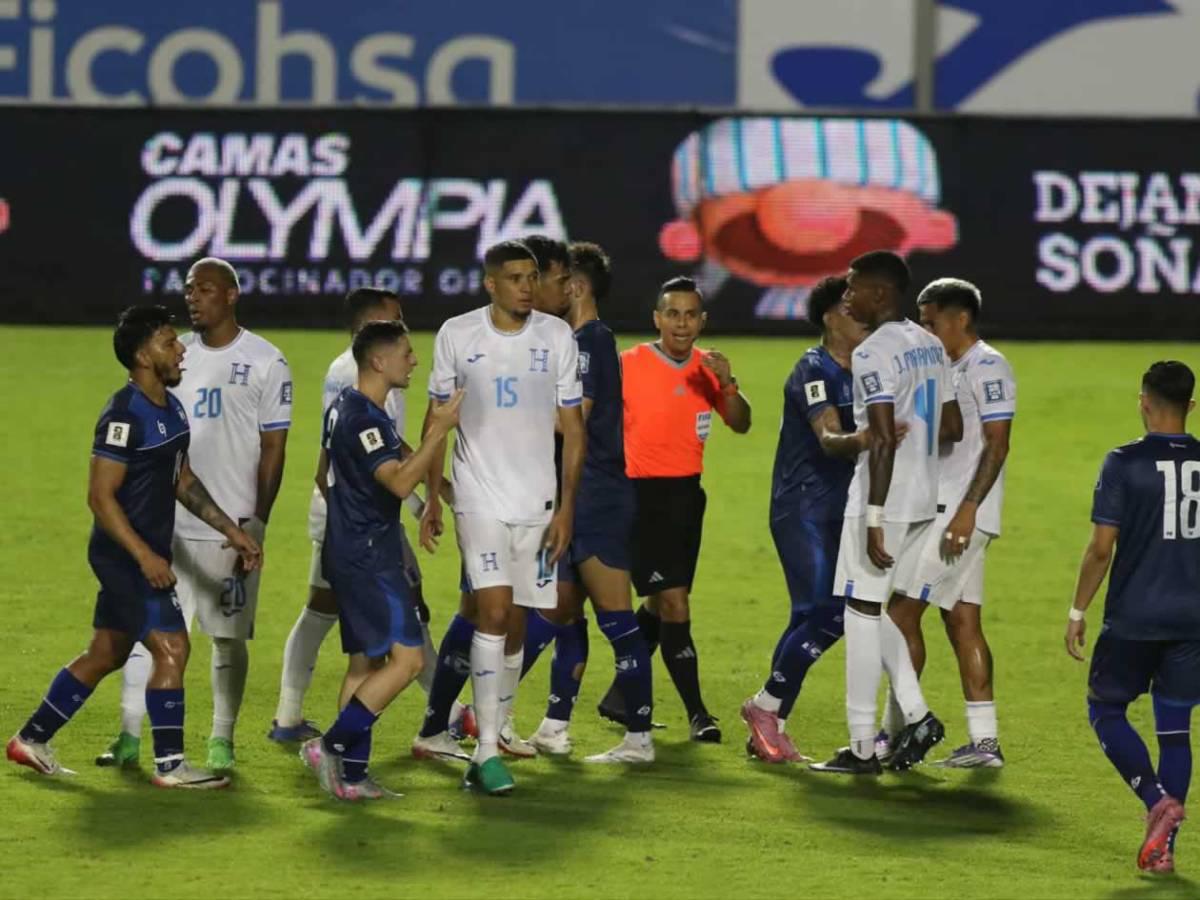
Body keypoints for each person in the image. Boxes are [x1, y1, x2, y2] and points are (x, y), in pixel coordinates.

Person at [7, 305, 261, 788]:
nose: (181, 348)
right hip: (125, 556)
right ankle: (170, 766)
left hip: (141, 553)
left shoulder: (171, 406)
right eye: (170, 342)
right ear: (144, 355)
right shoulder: (123, 415)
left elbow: (182, 481)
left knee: (107, 651)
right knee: (173, 646)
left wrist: (232, 531)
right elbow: (99, 498)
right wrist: (144, 556)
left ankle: (30, 739)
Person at [95, 258, 291, 773]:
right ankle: (130, 734)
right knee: (151, 631)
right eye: (187, 289)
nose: (192, 297)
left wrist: (257, 520)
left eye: (204, 289)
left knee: (227, 635)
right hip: (165, 521)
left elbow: (274, 448)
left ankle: (221, 738)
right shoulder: (172, 353)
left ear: (231, 294)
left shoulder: (267, 361)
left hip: (231, 520)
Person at [419, 240, 585, 795]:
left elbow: (574, 429)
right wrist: (429, 494)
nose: (525, 286)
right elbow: (438, 416)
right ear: (490, 283)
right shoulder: (457, 334)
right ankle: (486, 750)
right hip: (478, 496)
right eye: (513, 277)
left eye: (531, 277)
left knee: (515, 621)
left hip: (536, 502)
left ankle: (496, 725)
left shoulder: (556, 336)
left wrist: (566, 508)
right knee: (491, 609)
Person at [811, 251, 960, 776]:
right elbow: (952, 428)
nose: (845, 295)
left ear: (880, 294)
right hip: (923, 499)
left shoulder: (873, 352)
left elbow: (878, 441)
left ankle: (861, 746)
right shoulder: (930, 345)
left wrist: (874, 515)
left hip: (884, 501)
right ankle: (914, 715)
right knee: (873, 610)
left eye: (853, 288)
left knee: (860, 615)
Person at [300, 320, 462, 800]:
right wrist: (439, 432)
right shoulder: (365, 418)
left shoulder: (344, 409)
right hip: (371, 556)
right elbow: (396, 480)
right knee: (408, 661)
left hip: (350, 549)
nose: (413, 361)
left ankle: (351, 777)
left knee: (367, 664)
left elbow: (322, 472)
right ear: (378, 360)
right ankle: (330, 746)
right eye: (407, 353)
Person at [269, 288, 437, 743]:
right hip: (358, 521)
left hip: (358, 514)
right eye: (394, 321)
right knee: (376, 626)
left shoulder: (358, 380)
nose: (404, 331)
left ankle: (330, 742)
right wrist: (421, 487)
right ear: (370, 332)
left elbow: (366, 446)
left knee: (365, 641)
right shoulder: (353, 378)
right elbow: (368, 453)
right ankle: (442, 712)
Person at [516, 239, 656, 762]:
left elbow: (570, 418)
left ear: (574, 287)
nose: (538, 291)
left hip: (597, 499)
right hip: (569, 497)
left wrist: (509, 406)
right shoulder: (573, 341)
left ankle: (639, 739)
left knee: (616, 618)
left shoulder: (592, 343)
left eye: (550, 281)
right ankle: (550, 726)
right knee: (559, 614)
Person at [597, 276, 751, 742]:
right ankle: (698, 713)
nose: (681, 323)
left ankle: (619, 698)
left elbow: (741, 423)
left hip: (687, 498)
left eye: (690, 315)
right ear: (657, 319)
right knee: (675, 603)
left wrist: (727, 386)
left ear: (702, 321)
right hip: (640, 497)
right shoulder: (629, 365)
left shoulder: (711, 367)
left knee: (660, 601)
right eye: (673, 314)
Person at [1066, 360, 1199, 875]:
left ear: (1143, 400)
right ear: (1190, 406)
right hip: (1192, 620)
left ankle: (1155, 800)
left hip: (1135, 617)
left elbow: (1102, 548)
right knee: (1175, 729)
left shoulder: (1123, 462)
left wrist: (1078, 609)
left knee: (1106, 709)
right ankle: (1164, 852)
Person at [741, 276, 878, 763]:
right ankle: (764, 707)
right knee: (832, 613)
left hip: (841, 508)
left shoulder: (867, 370)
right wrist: (876, 436)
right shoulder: (813, 368)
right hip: (803, 508)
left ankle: (769, 722)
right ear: (828, 318)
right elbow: (828, 438)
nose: (861, 314)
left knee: (807, 616)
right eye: (849, 307)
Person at [883, 278, 1016, 768]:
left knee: (896, 617)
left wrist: (966, 511)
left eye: (930, 321)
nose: (924, 330)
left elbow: (998, 445)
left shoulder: (988, 365)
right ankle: (985, 744)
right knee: (962, 623)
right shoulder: (942, 368)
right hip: (946, 510)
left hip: (958, 517)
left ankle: (894, 732)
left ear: (959, 319)